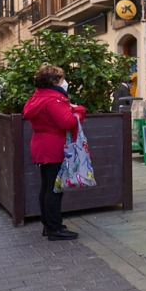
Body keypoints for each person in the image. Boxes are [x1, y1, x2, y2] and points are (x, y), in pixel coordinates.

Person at [22, 65, 87, 241]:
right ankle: (54, 228)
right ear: (54, 81)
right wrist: (80, 110)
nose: (64, 82)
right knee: (54, 189)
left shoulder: (38, 97)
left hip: (42, 145)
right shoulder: (53, 99)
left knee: (47, 186)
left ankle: (49, 224)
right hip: (54, 147)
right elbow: (67, 122)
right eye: (62, 79)